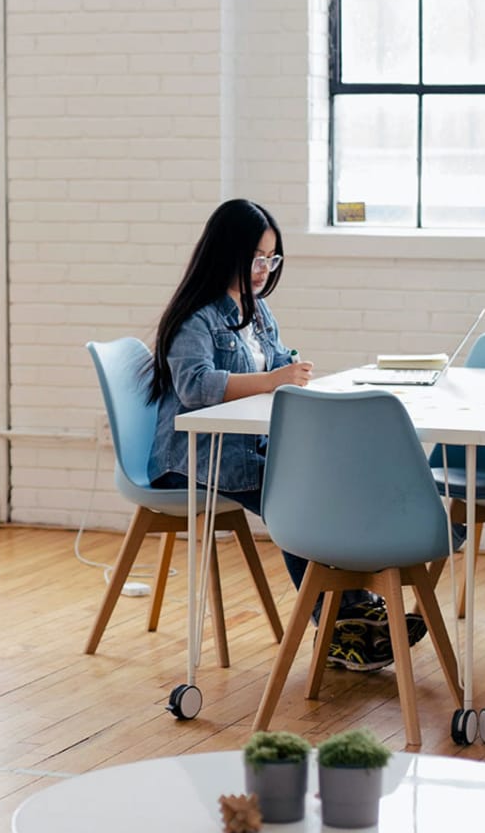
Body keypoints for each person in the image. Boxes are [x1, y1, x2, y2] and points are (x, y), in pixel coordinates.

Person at [146, 199, 418, 672]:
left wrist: (288, 373)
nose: (263, 269)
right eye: (256, 258)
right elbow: (195, 387)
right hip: (196, 459)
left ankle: (353, 613)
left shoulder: (259, 311)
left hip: (248, 449)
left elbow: (273, 367)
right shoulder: (197, 317)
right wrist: (275, 380)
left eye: (271, 259)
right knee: (298, 496)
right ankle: (339, 623)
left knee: (324, 479)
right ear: (225, 252)